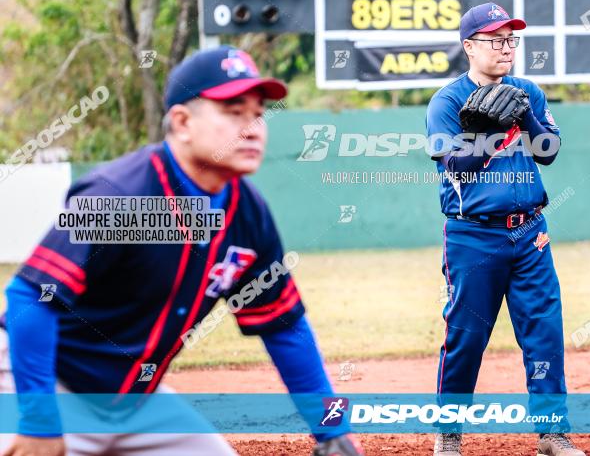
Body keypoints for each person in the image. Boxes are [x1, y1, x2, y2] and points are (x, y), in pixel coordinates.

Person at [0, 46, 364, 456]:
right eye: (232, 110)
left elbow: (283, 326)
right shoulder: (122, 195)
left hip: (135, 402)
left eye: (258, 112)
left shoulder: (248, 212)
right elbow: (29, 296)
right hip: (36, 380)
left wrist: (333, 430)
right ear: (183, 122)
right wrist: (38, 419)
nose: (254, 127)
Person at [424, 3, 583, 456]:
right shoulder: (448, 102)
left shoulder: (527, 90)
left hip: (531, 233)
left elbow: (548, 151)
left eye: (511, 38)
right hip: (474, 236)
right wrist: (489, 128)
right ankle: (449, 433)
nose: (506, 47)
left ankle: (552, 434)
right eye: (495, 39)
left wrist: (525, 117)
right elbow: (457, 168)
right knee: (467, 337)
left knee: (544, 331)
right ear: (469, 46)